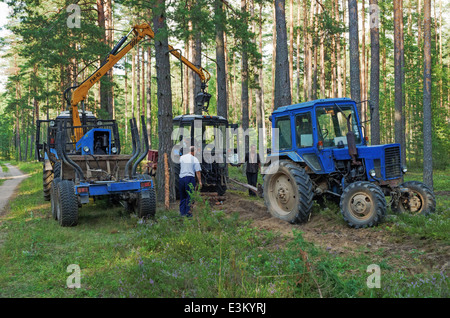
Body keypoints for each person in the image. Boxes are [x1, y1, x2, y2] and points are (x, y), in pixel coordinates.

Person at [179, 146, 202, 217]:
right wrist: (200, 181)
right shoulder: (194, 159)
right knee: (190, 196)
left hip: (181, 178)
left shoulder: (182, 158)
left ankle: (182, 213)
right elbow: (197, 172)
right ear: (193, 151)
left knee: (183, 196)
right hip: (190, 178)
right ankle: (188, 213)